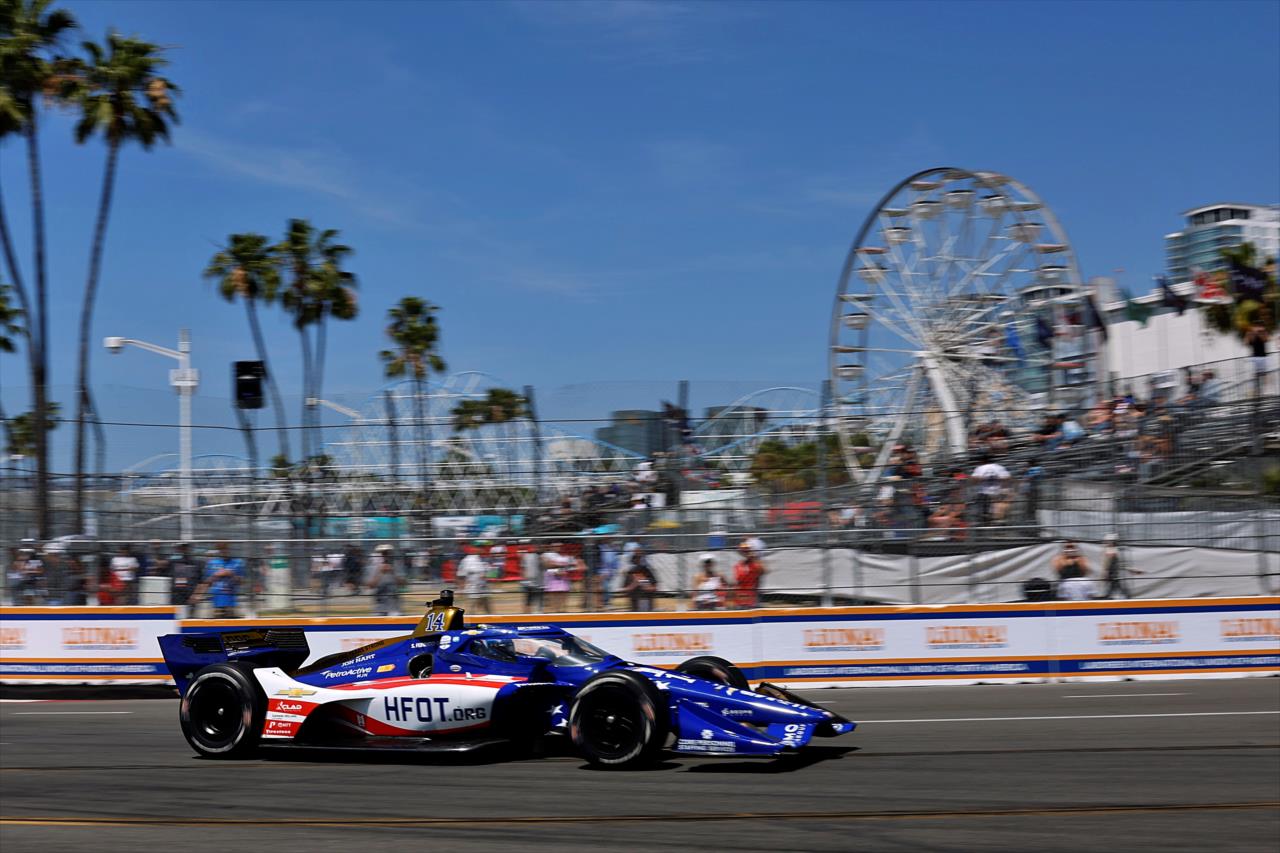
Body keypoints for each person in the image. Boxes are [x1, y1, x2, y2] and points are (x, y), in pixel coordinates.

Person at [200, 545, 244, 618]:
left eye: (226, 549)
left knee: (233, 623)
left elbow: (241, 582)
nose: (224, 552)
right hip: (216, 603)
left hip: (232, 602)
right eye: (222, 550)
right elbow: (207, 582)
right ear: (219, 551)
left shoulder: (237, 563)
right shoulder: (212, 563)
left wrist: (231, 574)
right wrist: (216, 575)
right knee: (217, 623)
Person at [971, 453, 1011, 526]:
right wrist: (996, 478)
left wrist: (983, 478)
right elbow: (1007, 478)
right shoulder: (999, 467)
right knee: (995, 513)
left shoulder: (980, 468)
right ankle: (996, 523)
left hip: (983, 493)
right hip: (996, 492)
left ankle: (984, 524)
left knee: (984, 514)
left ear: (983, 460)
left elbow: (973, 479)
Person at [367, 545, 403, 616]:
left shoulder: (397, 565)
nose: (385, 556)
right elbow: (370, 586)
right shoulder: (373, 567)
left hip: (394, 604)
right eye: (383, 553)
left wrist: (393, 572)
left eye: (387, 553)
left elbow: (403, 584)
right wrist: (380, 573)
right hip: (379, 604)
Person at [456, 546, 491, 614]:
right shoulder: (467, 560)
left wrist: (487, 575)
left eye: (483, 547)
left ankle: (490, 619)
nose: (482, 549)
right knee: (471, 607)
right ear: (474, 548)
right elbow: (461, 575)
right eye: (480, 547)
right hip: (472, 587)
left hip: (484, 587)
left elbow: (492, 573)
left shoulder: (486, 559)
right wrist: (460, 588)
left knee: (487, 608)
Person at [619, 548, 657, 612]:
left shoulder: (647, 572)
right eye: (636, 557)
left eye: (640, 557)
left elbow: (654, 588)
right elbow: (625, 589)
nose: (639, 560)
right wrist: (634, 583)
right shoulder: (630, 573)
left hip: (645, 601)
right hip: (634, 604)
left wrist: (643, 582)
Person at [733, 540, 765, 609]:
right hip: (741, 596)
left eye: (747, 550)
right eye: (744, 551)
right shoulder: (739, 565)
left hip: (752, 596)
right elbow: (737, 580)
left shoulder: (756, 563)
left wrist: (753, 558)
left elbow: (762, 571)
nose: (745, 552)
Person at [542, 542, 573, 613]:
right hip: (552, 578)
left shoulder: (563, 556)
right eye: (555, 546)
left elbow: (570, 565)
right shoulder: (546, 554)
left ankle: (562, 610)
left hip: (563, 577)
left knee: (563, 594)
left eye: (559, 546)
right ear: (551, 547)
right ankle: (554, 611)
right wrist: (559, 566)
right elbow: (547, 565)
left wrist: (557, 565)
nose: (558, 548)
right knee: (553, 596)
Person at [522, 542, 544, 613]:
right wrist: (524, 581)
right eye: (535, 547)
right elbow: (524, 569)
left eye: (538, 547)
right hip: (530, 581)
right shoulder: (526, 556)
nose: (536, 548)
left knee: (538, 599)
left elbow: (543, 568)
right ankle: (527, 615)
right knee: (529, 600)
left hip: (539, 581)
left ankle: (538, 612)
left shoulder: (541, 556)